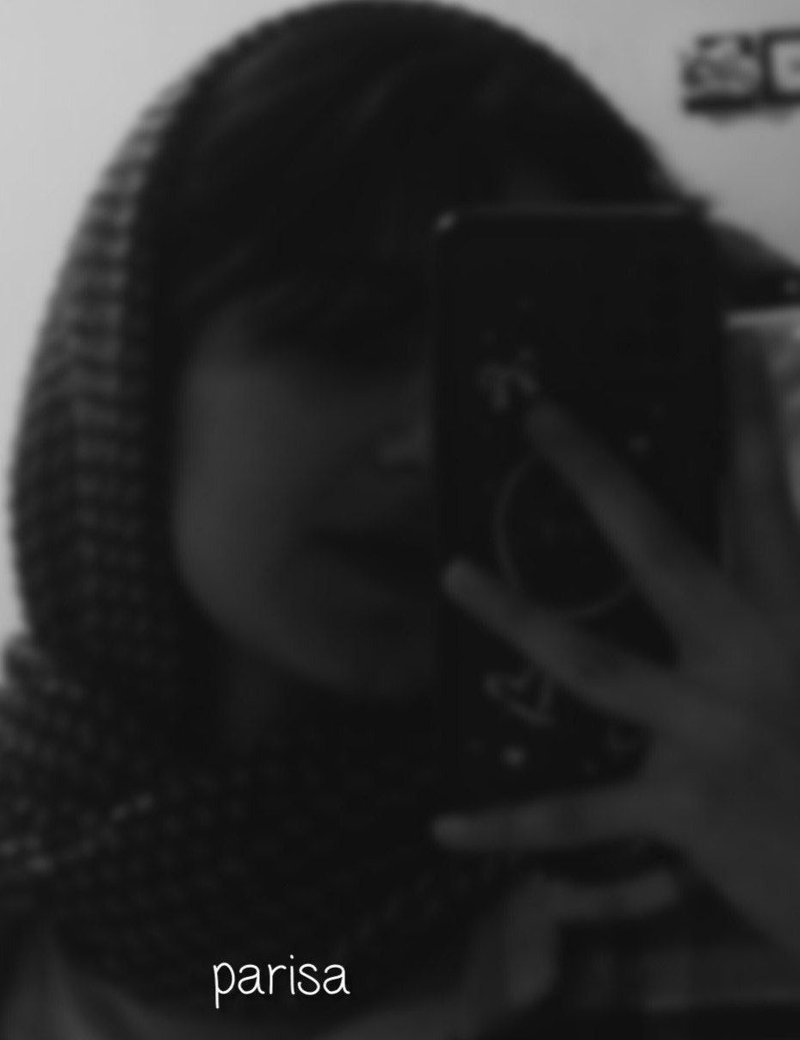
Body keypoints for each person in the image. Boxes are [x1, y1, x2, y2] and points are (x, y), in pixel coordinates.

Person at [1, 1, 800, 1036]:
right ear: (125, 381)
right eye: (346, 335)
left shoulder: (715, 853)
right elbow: (279, 982)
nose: (433, 445)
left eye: (520, 373)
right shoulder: (36, 864)